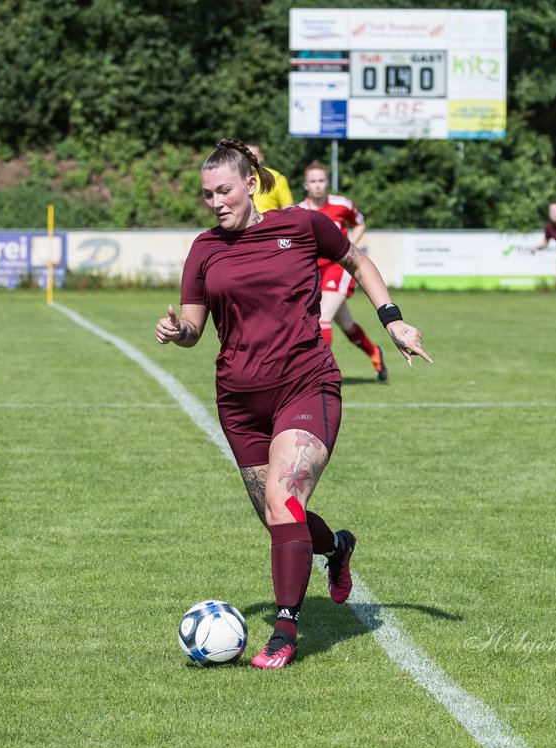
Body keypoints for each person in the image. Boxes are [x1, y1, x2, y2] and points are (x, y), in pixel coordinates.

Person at [156, 138, 430, 669]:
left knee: (284, 500)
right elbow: (194, 327)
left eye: (225, 190)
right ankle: (337, 546)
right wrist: (178, 331)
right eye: (207, 194)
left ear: (251, 184)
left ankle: (284, 631)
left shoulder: (301, 227)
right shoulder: (203, 249)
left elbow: (357, 259)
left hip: (307, 384)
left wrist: (392, 319)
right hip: (239, 402)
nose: (215, 202)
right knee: (277, 516)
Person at [297, 161, 389, 381]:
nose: (318, 185)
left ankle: (318, 372)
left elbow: (359, 222)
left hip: (339, 268)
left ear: (327, 182)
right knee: (346, 324)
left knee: (322, 320)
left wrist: (350, 244)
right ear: (305, 185)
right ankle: (375, 353)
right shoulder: (300, 211)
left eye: (321, 180)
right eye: (313, 181)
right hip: (315, 272)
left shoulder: (342, 204)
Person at [245, 142, 293, 213]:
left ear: (261, 157)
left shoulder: (276, 178)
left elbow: (288, 207)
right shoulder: (234, 178)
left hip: (271, 223)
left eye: (254, 157)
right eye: (247, 157)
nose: (251, 160)